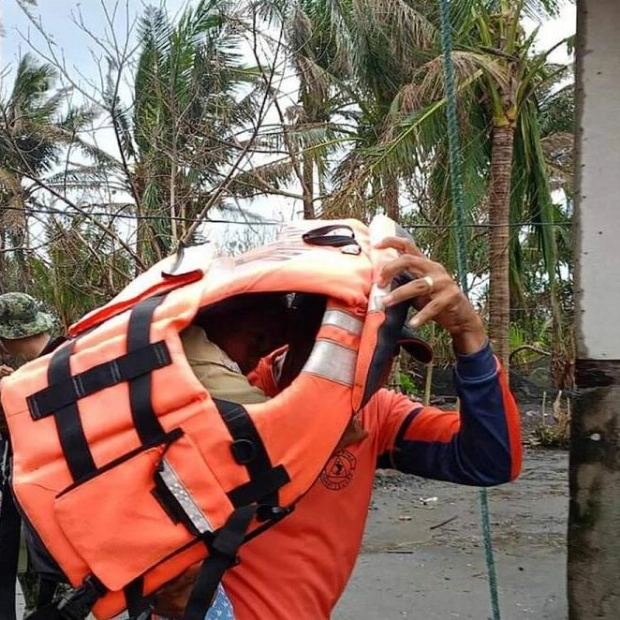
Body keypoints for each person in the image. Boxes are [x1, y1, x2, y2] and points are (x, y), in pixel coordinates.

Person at [154, 236, 522, 619]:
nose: (373, 369)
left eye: (386, 353)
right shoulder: (224, 392)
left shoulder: (377, 415)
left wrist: (469, 335)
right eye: (360, 347)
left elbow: (491, 460)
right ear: (305, 332)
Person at [0, 292, 62, 615]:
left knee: (49, 607)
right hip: (57, 522)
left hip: (52, 529)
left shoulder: (33, 380)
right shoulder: (68, 359)